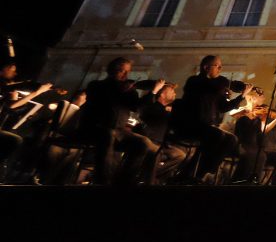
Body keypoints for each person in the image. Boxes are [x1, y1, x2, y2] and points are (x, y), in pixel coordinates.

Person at [173, 55, 252, 182]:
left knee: (232, 139)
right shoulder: (194, 81)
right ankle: (189, 173)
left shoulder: (217, 87)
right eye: (217, 66)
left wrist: (242, 96)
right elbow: (208, 86)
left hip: (205, 127)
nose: (221, 68)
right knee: (216, 136)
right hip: (190, 125)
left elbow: (224, 107)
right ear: (206, 67)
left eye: (221, 66)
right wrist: (222, 87)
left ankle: (204, 172)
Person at [77, 57, 154, 185]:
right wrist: (120, 91)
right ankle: (103, 181)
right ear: (111, 71)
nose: (125, 75)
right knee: (108, 134)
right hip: (96, 127)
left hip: (119, 130)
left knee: (143, 143)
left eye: (127, 72)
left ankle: (123, 181)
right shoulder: (96, 85)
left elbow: (136, 107)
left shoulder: (129, 90)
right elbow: (101, 102)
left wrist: (152, 92)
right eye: (121, 71)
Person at [136, 81, 186, 184]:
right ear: (162, 94)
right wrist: (154, 90)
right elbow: (142, 108)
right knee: (156, 153)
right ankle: (149, 181)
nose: (175, 94)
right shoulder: (152, 106)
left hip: (162, 144)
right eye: (172, 90)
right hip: (149, 141)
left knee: (180, 155)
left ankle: (151, 176)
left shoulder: (168, 110)